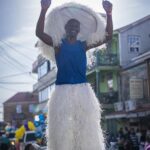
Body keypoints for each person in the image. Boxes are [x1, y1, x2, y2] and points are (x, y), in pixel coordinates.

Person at [36, 0, 113, 150]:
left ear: (79, 30)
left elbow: (108, 36)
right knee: (63, 131)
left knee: (86, 127)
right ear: (65, 28)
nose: (73, 27)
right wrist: (43, 10)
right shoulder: (58, 45)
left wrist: (109, 14)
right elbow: (39, 33)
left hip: (82, 90)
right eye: (70, 25)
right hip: (62, 91)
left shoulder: (83, 45)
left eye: (76, 25)